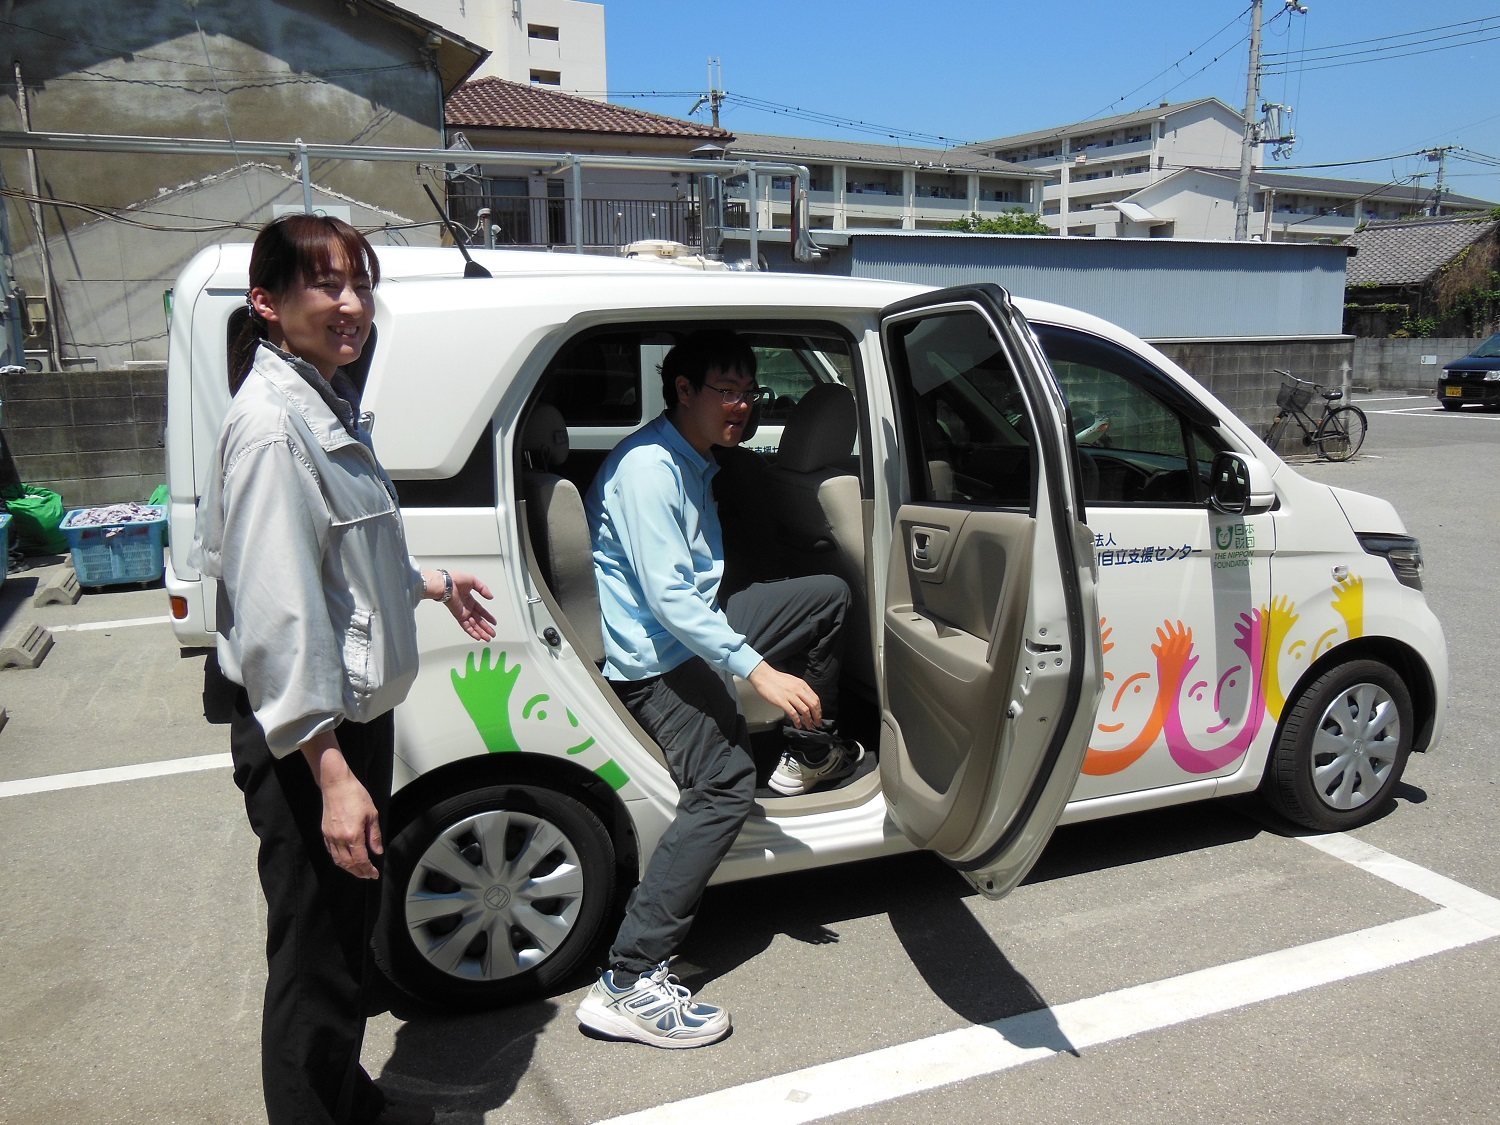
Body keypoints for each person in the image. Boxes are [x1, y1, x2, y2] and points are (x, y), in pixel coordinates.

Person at [190, 215, 496, 1124]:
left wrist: (432, 583)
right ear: (267, 302)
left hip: (341, 719)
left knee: (343, 938)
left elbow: (345, 563)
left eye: (360, 283)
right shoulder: (273, 428)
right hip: (308, 733)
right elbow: (278, 617)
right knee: (315, 957)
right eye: (326, 284)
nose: (352, 303)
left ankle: (344, 1099)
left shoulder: (323, 401)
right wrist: (329, 773)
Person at [575, 329, 861, 1048]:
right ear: (683, 390)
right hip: (656, 658)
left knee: (826, 595)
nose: (742, 406)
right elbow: (671, 600)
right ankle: (628, 979)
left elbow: (692, 591)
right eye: (726, 391)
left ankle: (808, 752)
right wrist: (757, 669)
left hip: (695, 625)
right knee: (725, 785)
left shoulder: (695, 456)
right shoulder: (649, 469)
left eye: (748, 391)